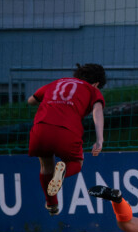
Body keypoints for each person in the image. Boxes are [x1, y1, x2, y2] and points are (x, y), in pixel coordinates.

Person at [28, 63, 106, 215]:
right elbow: (98, 111)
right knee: (77, 162)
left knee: (45, 167)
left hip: (41, 128)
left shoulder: (57, 82)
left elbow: (31, 100)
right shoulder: (92, 90)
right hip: (66, 130)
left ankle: (51, 204)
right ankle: (63, 172)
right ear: (96, 84)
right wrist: (99, 139)